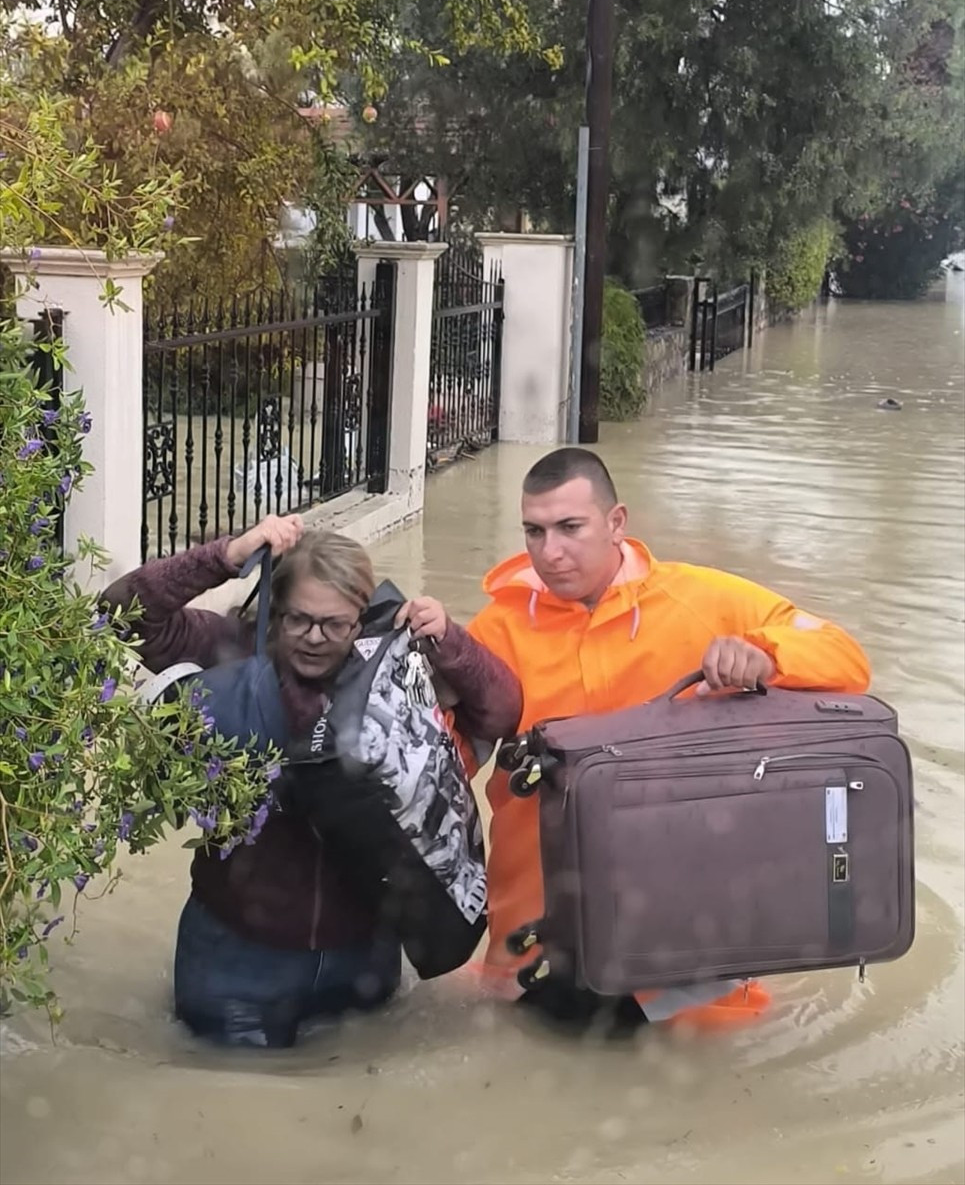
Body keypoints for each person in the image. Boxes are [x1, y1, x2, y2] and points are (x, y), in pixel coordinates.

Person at [408, 447, 872, 1033]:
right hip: (540, 944)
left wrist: (766, 654)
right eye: (534, 531)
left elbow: (847, 658)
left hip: (684, 948)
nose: (550, 552)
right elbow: (445, 761)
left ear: (616, 523)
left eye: (570, 528)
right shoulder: (496, 630)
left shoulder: (704, 600)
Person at [101, 514, 522, 1048]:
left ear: (362, 618)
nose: (316, 639)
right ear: (275, 612)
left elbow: (503, 713)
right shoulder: (229, 649)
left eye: (336, 625)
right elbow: (120, 617)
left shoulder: (395, 671)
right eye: (299, 620)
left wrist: (450, 642)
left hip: (364, 957)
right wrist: (225, 557)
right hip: (240, 962)